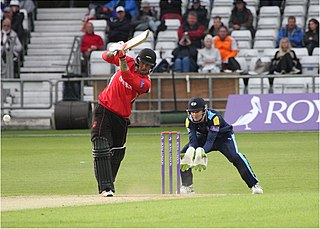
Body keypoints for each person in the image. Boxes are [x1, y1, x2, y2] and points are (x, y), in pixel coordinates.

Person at [91, 43, 157, 197]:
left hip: (121, 117)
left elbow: (127, 76)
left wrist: (121, 57)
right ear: (138, 60)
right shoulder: (128, 61)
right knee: (100, 144)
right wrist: (114, 50)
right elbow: (105, 57)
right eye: (143, 64)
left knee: (117, 152)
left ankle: (108, 182)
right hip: (104, 109)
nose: (144, 68)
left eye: (148, 66)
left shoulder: (145, 83)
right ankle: (106, 188)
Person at [179, 96, 263, 195]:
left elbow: (211, 140)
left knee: (235, 157)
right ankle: (188, 186)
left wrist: (202, 151)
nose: (194, 114)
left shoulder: (214, 118)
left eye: (197, 111)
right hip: (204, 136)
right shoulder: (189, 120)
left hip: (223, 137)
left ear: (203, 110)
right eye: (192, 112)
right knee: (184, 154)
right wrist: (191, 150)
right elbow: (193, 140)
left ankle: (254, 185)